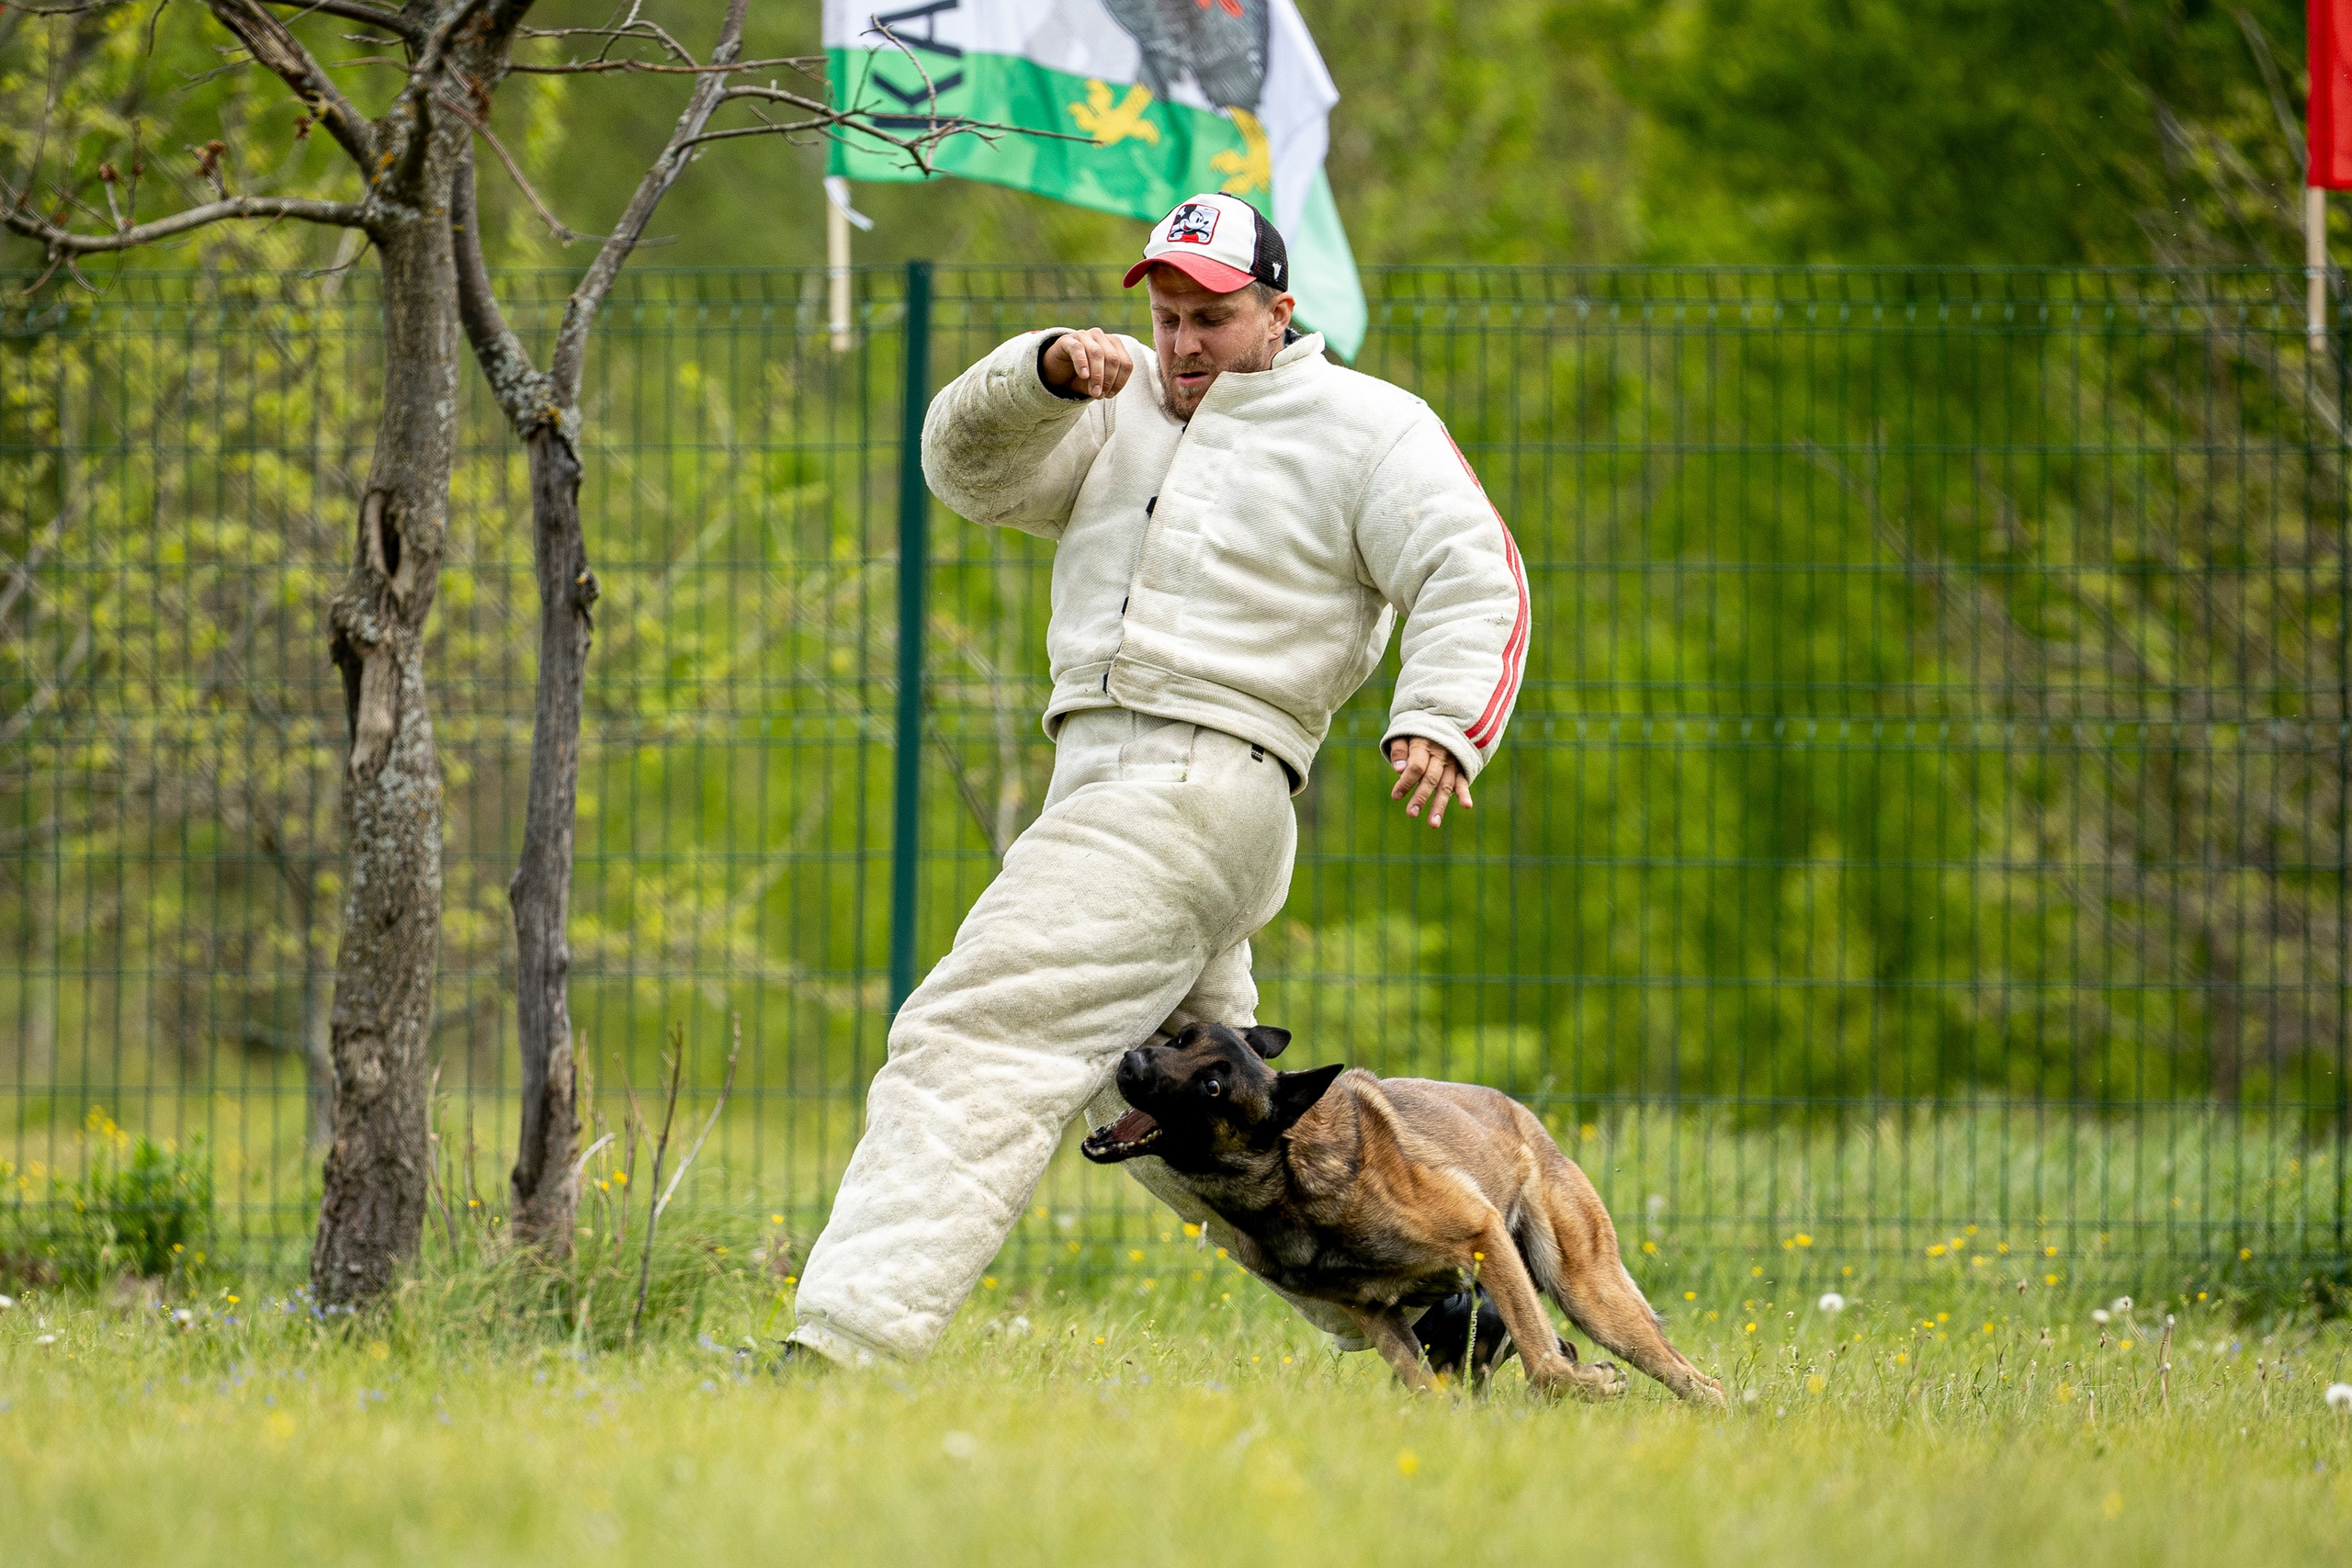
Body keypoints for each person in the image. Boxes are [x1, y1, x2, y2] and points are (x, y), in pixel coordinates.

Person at [786, 193, 1530, 1365]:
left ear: (1280, 313)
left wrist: (1438, 718)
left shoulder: (1368, 427)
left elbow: (1472, 570)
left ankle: (836, 1350)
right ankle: (1443, 1317)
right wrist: (1033, 376)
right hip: (1115, 786)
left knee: (973, 1033)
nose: (1183, 346)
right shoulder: (1117, 395)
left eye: (1214, 319)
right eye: (1169, 314)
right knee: (1193, 1118)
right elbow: (964, 476)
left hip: (1195, 782)